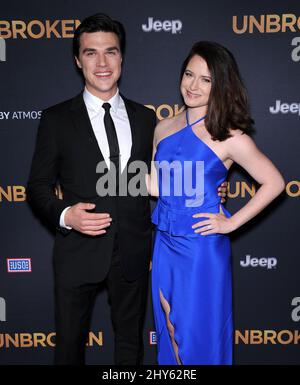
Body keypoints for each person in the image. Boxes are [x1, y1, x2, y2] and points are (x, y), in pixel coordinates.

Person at [27, 13, 227, 365]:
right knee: (69, 350)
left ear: (122, 57)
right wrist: (65, 215)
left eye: (111, 52)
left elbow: (162, 177)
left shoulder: (147, 119)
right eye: (91, 53)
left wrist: (208, 188)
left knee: (131, 348)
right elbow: (37, 186)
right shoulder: (56, 119)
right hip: (77, 253)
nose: (102, 63)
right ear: (78, 60)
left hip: (135, 252)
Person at [147, 41, 285, 365]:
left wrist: (231, 222)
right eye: (189, 74)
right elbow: (154, 185)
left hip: (201, 248)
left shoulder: (230, 136)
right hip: (164, 241)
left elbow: (275, 182)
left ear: (220, 84)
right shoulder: (163, 127)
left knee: (196, 337)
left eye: (205, 79)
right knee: (168, 327)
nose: (193, 85)